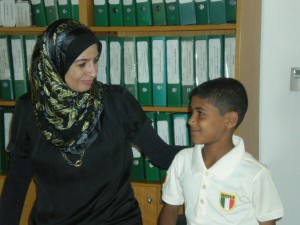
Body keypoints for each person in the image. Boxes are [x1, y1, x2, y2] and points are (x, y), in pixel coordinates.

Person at [0, 19, 184, 225]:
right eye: (82, 64)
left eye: (95, 60)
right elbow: (17, 180)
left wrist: (216, 149)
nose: (93, 72)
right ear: (54, 64)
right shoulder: (29, 108)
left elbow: (162, 154)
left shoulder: (117, 102)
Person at [158, 78, 284, 225]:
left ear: (230, 120)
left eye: (201, 113)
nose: (191, 120)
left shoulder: (255, 174)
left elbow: (267, 222)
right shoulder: (183, 160)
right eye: (191, 112)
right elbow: (170, 210)